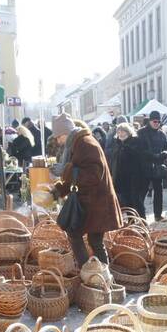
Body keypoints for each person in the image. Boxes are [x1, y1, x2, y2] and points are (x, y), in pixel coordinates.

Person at [48, 113, 122, 267]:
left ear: (65, 132)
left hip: (97, 202)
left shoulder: (85, 143)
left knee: (79, 236)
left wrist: (68, 170)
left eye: (58, 136)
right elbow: (76, 176)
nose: (57, 140)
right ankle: (100, 275)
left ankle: (90, 272)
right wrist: (59, 190)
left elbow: (93, 175)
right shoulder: (77, 143)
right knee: (94, 241)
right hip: (93, 202)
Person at [106, 122, 147, 211]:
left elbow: (139, 158)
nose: (121, 134)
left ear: (128, 132)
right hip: (120, 179)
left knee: (136, 201)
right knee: (125, 202)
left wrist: (126, 148)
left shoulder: (135, 142)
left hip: (134, 178)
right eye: (119, 132)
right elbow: (113, 161)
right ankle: (131, 221)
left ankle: (142, 222)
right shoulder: (116, 144)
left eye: (123, 131)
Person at [136, 110, 167, 220]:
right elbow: (140, 151)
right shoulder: (141, 133)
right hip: (144, 167)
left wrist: (165, 154)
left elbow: (166, 148)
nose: (157, 123)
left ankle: (158, 215)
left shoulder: (162, 134)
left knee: (158, 192)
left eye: (158, 122)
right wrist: (156, 156)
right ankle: (140, 216)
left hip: (158, 168)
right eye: (154, 121)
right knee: (142, 192)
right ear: (150, 121)